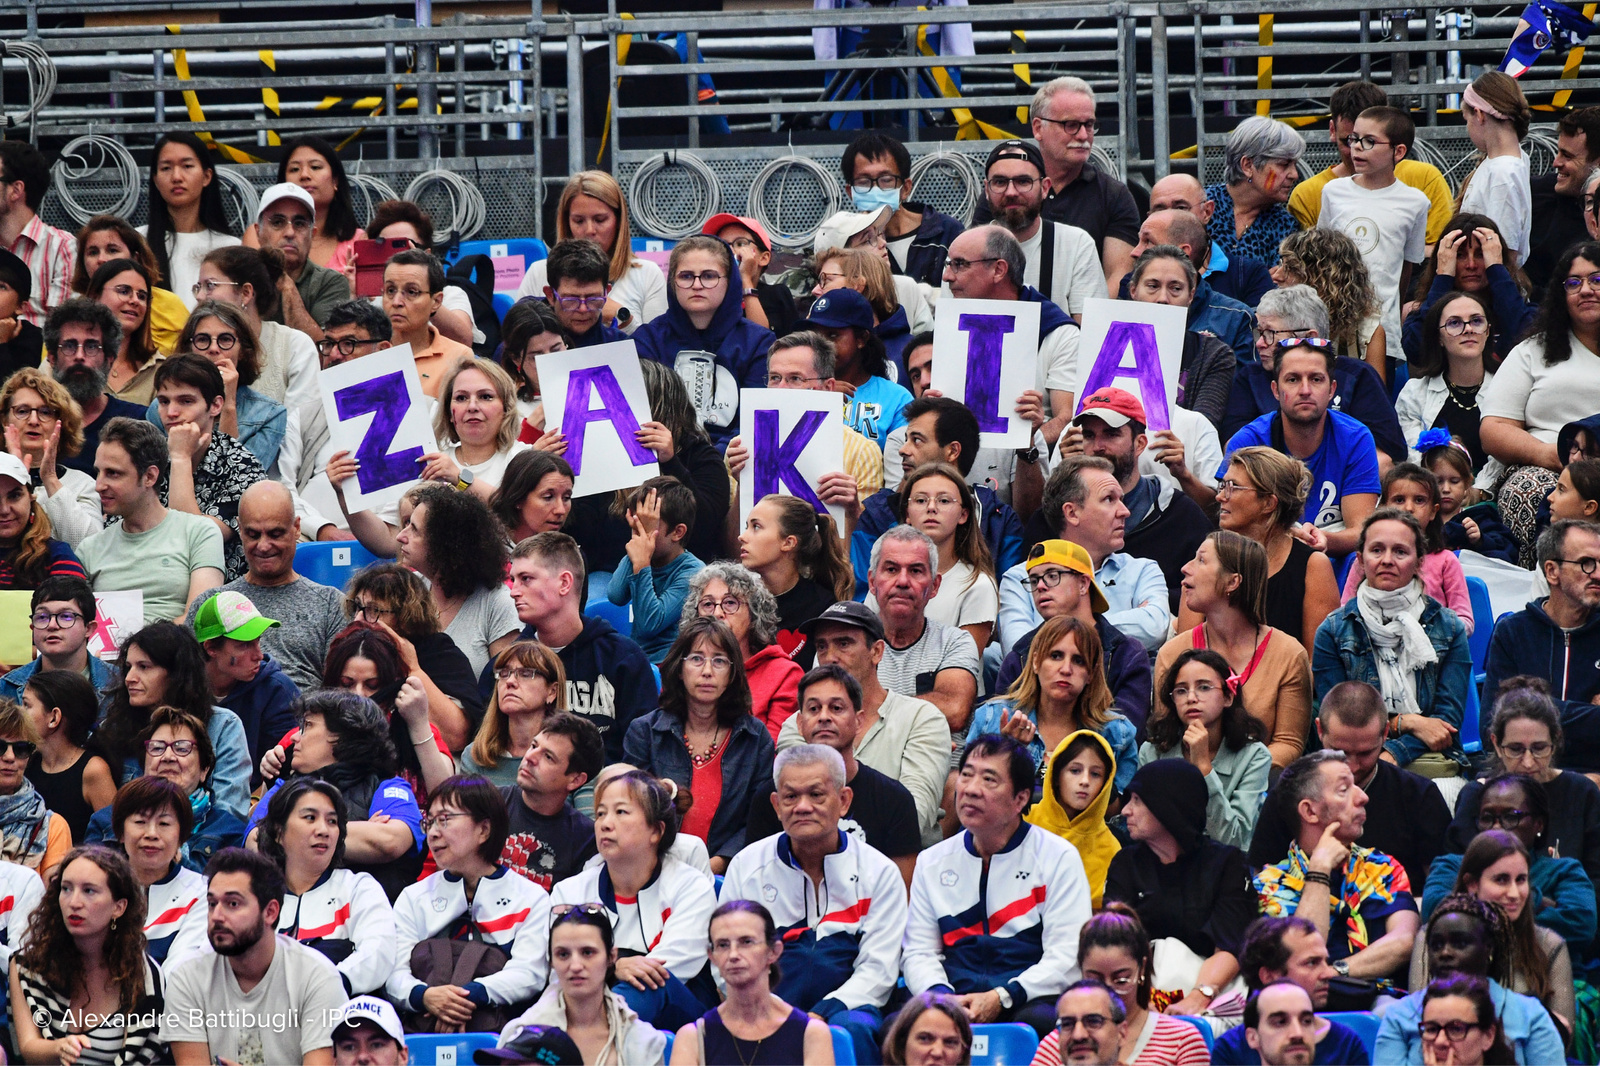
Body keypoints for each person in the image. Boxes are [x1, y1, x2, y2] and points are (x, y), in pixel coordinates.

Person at [721, 742, 906, 1063]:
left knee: (854, 1029)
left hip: (845, 1010)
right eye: (791, 797)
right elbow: (725, 955)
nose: (803, 807)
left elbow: (879, 968)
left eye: (817, 795)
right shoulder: (746, 866)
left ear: (844, 800)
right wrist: (771, 1010)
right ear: (777, 806)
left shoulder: (879, 872)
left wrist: (822, 1012)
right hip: (764, 1004)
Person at [903, 735, 1092, 1036]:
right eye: (966, 774)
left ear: (1020, 799)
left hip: (1026, 995)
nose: (971, 789)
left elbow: (1068, 956)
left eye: (989, 779)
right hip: (951, 994)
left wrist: (1002, 997)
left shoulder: (1058, 857)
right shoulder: (932, 861)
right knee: (894, 1028)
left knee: (1043, 1025)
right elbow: (919, 952)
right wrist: (942, 997)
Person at [550, 769, 718, 1032]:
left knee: (650, 981)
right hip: (591, 998)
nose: (605, 823)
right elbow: (557, 972)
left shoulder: (691, 886)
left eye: (621, 812)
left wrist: (609, 969)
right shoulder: (569, 892)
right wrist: (613, 967)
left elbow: (668, 968)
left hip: (680, 1012)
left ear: (656, 831)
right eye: (601, 813)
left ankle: (588, 1041)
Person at [1314, 508, 1473, 782]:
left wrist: (1394, 754)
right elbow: (1339, 721)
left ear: (1419, 560)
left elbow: (1446, 723)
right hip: (1354, 760)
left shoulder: (1449, 627)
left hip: (1431, 761)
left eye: (1400, 552)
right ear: (1360, 560)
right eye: (1377, 550)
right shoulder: (1333, 631)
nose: (1387, 560)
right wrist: (1408, 721)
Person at [779, 600, 950, 847]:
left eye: (844, 644)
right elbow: (795, 811)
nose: (830, 657)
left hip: (898, 867)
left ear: (877, 652)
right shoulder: (798, 723)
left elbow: (913, 818)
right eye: (822, 646)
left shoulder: (922, 718)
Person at [1251, 680, 1450, 890]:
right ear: (1320, 730)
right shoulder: (1288, 794)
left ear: (1384, 734)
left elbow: (1441, 891)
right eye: (1341, 752)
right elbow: (1264, 884)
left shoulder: (1420, 795)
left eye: (1365, 753)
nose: (1353, 767)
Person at [161, 847, 348, 1065]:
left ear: (270, 912)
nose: (217, 916)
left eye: (233, 904)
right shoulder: (187, 977)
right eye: (212, 904)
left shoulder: (317, 977)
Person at [1254, 751, 1420, 995]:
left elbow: (1403, 942)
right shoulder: (1270, 885)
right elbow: (1299, 956)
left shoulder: (1381, 867)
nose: (1363, 797)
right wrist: (1320, 870)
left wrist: (1334, 972)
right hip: (1299, 1005)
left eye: (1356, 786)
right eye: (1344, 790)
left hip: (1379, 1001)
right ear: (1310, 811)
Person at [1104, 759, 1256, 1019]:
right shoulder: (1125, 864)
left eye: (1137, 800)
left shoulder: (1227, 864)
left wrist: (1199, 997)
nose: (1126, 811)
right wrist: (1137, 1002)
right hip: (1141, 990)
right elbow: (1115, 944)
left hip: (1211, 993)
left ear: (1169, 807)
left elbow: (1230, 945)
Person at [743, 666, 921, 883]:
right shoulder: (770, 798)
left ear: (859, 721)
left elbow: (901, 898)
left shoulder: (894, 800)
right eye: (814, 709)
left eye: (836, 708)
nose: (824, 717)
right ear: (800, 723)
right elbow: (755, 882)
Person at [624, 617, 774, 871]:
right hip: (654, 869)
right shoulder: (645, 732)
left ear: (732, 673)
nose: (707, 671)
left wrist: (713, 865)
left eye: (719, 661)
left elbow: (759, 820)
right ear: (679, 670)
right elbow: (632, 811)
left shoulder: (755, 737)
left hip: (730, 874)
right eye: (696, 659)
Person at [1483, 243, 1600, 563]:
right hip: (1544, 469)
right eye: (1574, 283)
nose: (1586, 290)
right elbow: (1494, 427)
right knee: (1530, 491)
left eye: (1596, 279)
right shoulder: (1533, 351)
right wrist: (1552, 455)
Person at [246, 691, 424, 901]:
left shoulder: (388, 787)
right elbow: (256, 842)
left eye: (307, 726)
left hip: (364, 917)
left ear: (342, 736)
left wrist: (292, 833)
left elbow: (388, 841)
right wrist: (361, 831)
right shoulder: (282, 788)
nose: (294, 736)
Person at [1158, 530, 1313, 768]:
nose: (1185, 568)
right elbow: (1164, 736)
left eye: (1201, 560)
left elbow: (1289, 743)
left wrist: (1239, 777)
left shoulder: (1289, 654)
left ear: (1233, 581)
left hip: (1258, 791)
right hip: (1186, 784)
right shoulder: (1171, 654)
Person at [564, 357, 730, 574]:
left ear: (662, 409)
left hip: (682, 576)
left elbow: (704, 528)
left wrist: (671, 463)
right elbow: (582, 533)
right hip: (613, 575)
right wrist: (556, 472)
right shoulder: (602, 456)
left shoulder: (700, 456)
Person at [504, 532, 659, 761]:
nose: (514, 591)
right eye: (513, 579)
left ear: (564, 583)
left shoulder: (623, 659)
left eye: (526, 579)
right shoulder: (507, 665)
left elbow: (644, 752)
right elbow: (489, 748)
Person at [1221, 337, 1381, 557]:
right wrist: (1285, 538)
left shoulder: (1356, 438)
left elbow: (1362, 531)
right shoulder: (1248, 441)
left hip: (1334, 560)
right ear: (1276, 390)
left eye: (1316, 379)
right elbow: (1231, 525)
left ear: (1332, 389)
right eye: (1293, 379)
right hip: (1263, 559)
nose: (1305, 390)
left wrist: (1323, 539)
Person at [973, 77, 1141, 285]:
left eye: (1089, 125)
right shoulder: (1007, 193)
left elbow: (1118, 279)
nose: (1082, 135)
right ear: (1037, 128)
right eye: (1070, 125)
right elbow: (977, 266)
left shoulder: (1114, 195)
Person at [184, 481, 349, 691]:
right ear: (240, 529)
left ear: (296, 528)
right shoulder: (210, 604)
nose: (263, 546)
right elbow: (185, 682)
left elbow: (341, 693)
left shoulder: (331, 605)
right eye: (253, 535)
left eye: (275, 534)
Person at [8, 845, 165, 1065]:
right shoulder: (28, 965)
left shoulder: (144, 976)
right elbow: (27, 1048)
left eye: (89, 891)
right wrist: (59, 1047)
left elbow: (147, 1057)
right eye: (66, 889)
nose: (74, 902)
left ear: (118, 907)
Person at [723, 331, 879, 545]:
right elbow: (733, 551)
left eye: (795, 378)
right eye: (775, 378)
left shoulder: (862, 451)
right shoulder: (741, 447)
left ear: (828, 388)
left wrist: (852, 510)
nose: (781, 389)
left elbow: (860, 560)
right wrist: (743, 486)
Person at [1008, 454, 1173, 652]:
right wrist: (1123, 622)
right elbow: (1019, 652)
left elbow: (1154, 629)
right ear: (1072, 513)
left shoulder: (1143, 570)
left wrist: (1052, 633)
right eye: (1109, 499)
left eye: (1121, 499)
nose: (1125, 511)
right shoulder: (1021, 578)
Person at [1224, 284, 1405, 464]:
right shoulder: (1250, 377)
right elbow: (1234, 450)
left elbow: (1386, 456)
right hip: (1269, 483)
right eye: (1260, 333)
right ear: (1275, 389)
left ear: (1309, 337)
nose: (1260, 344)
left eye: (1270, 333)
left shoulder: (1358, 376)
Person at [1375, 896, 1563, 1065]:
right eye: (1436, 945)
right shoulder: (1398, 1016)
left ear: (1488, 949)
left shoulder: (1530, 1015)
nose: (1445, 953)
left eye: (1460, 943)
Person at [254, 776, 396, 997]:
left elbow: (378, 953)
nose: (324, 830)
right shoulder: (254, 897)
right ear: (278, 831)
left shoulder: (358, 888)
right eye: (310, 818)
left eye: (332, 821)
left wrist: (325, 986)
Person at [1423, 773, 1596, 953]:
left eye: (1511, 817)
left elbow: (1580, 926)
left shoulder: (1564, 871)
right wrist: (1541, 903)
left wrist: (1471, 905)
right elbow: (1435, 913)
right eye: (1487, 818)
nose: (1496, 827)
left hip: (1550, 974)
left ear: (1538, 824)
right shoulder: (1451, 865)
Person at [1425, 830, 1576, 1034]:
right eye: (1502, 880)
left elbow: (1563, 1037)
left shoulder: (1549, 945)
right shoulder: (1436, 939)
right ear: (1472, 883)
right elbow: (1421, 1022)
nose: (1514, 893)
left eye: (1521, 880)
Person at [96, 620, 250, 818]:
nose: (129, 678)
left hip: (205, 843)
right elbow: (107, 818)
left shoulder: (224, 726)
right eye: (128, 667)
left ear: (177, 674)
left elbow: (229, 813)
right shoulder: (112, 728)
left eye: (144, 667)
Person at [970, 614, 1138, 795]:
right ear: (1035, 662)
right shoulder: (991, 718)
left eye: (1078, 661)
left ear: (1091, 673)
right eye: (1055, 656)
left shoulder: (1117, 734)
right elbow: (968, 796)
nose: (1066, 669)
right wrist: (1005, 752)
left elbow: (1121, 817)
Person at [995, 539, 1153, 730]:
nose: (1041, 587)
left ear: (1083, 584)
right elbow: (1001, 728)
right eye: (1034, 580)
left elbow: (1127, 735)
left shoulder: (1126, 654)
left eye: (1053, 576)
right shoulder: (1019, 656)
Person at [1451, 678, 1600, 881]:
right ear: (1496, 743)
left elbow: (1596, 881)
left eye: (1539, 748)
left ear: (1555, 740)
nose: (1528, 763)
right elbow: (1456, 879)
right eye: (1515, 749)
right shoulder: (1475, 796)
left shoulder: (1582, 793)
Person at [79, 417, 224, 622]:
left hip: (178, 652)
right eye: (98, 473)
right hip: (108, 653)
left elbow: (200, 620)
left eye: (113, 473)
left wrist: (141, 647)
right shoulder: (89, 549)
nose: (99, 485)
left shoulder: (200, 532)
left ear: (149, 477)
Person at [1316, 105, 1431, 364]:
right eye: (1354, 138)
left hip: (1383, 330)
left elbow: (1407, 267)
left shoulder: (1415, 202)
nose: (1357, 147)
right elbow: (1322, 255)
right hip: (1335, 325)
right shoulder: (1333, 192)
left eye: (1369, 141)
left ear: (1398, 151)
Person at [1483, 520, 1600, 772]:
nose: (1598, 574)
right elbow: (1492, 726)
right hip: (1524, 773)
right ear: (1552, 571)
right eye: (1586, 563)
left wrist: (1529, 709)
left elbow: (1513, 714)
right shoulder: (1513, 632)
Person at [636, 235, 774, 449]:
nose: (697, 285)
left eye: (709, 276)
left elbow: (755, 422)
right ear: (672, 282)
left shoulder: (758, 342)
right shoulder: (647, 340)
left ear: (729, 281)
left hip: (732, 464)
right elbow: (639, 419)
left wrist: (715, 462)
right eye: (686, 276)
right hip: (661, 462)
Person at [941, 225, 1080, 437]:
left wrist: (1033, 435)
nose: (947, 276)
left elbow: (1066, 419)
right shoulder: (948, 324)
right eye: (948, 264)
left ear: (998, 270)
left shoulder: (1061, 335)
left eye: (960, 264)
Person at [666, 900, 835, 1066]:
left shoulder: (811, 1034)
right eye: (723, 945)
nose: (733, 954)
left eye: (746, 942)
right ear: (712, 956)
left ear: (773, 952)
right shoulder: (693, 1038)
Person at [872, 392, 1033, 564]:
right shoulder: (878, 514)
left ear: (953, 451)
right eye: (906, 440)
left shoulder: (999, 523)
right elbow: (863, 586)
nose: (902, 450)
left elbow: (1006, 587)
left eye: (917, 440)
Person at [498, 904, 668, 1066]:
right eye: (563, 954)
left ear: (611, 957)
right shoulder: (518, 1033)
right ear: (551, 961)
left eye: (587, 952)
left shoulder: (643, 1040)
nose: (575, 966)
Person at [148, 353, 268, 580]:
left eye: (185, 401)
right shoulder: (146, 460)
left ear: (215, 405)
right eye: (164, 401)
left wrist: (181, 458)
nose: (171, 412)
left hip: (219, 596)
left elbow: (190, 540)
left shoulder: (242, 467)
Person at [1288, 80, 1454, 242]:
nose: (1357, 148)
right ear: (1332, 130)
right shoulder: (1306, 195)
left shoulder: (1424, 178)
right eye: (1349, 140)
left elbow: (1441, 251)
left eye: (1370, 141)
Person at [86, 705, 246, 873]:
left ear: (204, 769)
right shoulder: (106, 822)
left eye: (182, 749)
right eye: (157, 748)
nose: (168, 757)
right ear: (144, 764)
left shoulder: (229, 831)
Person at [343, 562, 484, 751]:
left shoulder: (438, 653)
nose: (358, 620)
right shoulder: (349, 651)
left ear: (405, 615)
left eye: (373, 610)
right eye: (357, 607)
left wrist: (412, 668)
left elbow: (456, 737)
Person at [1141, 648, 1273, 847]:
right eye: (1181, 690)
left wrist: (1204, 768)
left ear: (1228, 697)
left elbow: (1236, 840)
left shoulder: (1254, 756)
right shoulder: (1153, 751)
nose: (1191, 698)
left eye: (1204, 687)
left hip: (1224, 869)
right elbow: (1144, 830)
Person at [863, 525, 982, 742]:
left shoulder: (954, 642)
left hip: (940, 773)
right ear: (872, 582)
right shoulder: (846, 640)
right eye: (891, 569)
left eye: (916, 571)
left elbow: (954, 711)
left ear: (935, 585)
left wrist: (869, 709)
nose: (902, 581)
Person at [514, 170, 668, 333]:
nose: (589, 230)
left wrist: (623, 317)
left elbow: (658, 351)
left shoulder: (648, 274)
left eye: (600, 220)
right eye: (579, 221)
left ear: (618, 221)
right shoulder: (538, 272)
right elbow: (516, 343)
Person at [866, 462, 998, 651]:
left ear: (964, 514)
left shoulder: (978, 584)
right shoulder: (884, 577)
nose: (931, 507)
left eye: (944, 501)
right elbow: (866, 648)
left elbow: (963, 664)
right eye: (920, 500)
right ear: (907, 513)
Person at [395, 485, 519, 678]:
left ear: (444, 545)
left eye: (414, 530)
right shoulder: (408, 590)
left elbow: (506, 689)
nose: (400, 536)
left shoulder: (498, 604)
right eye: (406, 525)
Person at [1211, 917, 1371, 1065]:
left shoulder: (1347, 1045)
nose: (1328, 973)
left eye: (1326, 961)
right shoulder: (1230, 1049)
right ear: (1269, 976)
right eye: (1311, 963)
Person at [976, 139, 1105, 317]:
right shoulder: (964, 251)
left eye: (1023, 181)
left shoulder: (1076, 245)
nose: (1011, 192)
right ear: (987, 190)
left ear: (1045, 188)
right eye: (1000, 182)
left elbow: (1088, 333)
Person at [159, 299, 289, 471]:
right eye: (203, 340)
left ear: (243, 350)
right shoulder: (163, 407)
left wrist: (228, 404)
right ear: (189, 347)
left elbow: (240, 481)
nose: (213, 349)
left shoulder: (270, 415)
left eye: (225, 339)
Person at [1342, 464, 1474, 631]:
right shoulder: (1367, 561)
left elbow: (1464, 620)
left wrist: (1425, 633)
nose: (1409, 508)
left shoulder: (1446, 561)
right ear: (1383, 507)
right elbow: (1346, 612)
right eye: (1399, 500)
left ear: (1434, 511)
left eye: (1419, 500)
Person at [1400, 214, 1539, 369]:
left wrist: (1497, 271)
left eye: (1481, 254)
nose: (1471, 265)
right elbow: (1417, 351)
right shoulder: (1420, 314)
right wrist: (1443, 277)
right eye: (1460, 255)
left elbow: (1528, 342)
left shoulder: (1526, 311)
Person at [683, 562, 802, 741]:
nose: (717, 613)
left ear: (754, 614)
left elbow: (773, 753)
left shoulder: (784, 674)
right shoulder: (683, 667)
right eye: (707, 604)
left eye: (730, 603)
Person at [194, 245, 319, 412]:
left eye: (210, 285)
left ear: (246, 293)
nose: (200, 296)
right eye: (198, 287)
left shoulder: (295, 345)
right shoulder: (196, 344)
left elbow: (299, 424)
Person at [1125, 245, 1239, 427]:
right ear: (1133, 291)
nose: (1163, 298)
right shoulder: (1099, 343)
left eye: (1175, 288)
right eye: (1153, 286)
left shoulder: (1214, 355)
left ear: (1191, 296)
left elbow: (1202, 426)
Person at [1125, 209, 1255, 367]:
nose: (1134, 252)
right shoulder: (1111, 320)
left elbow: (1244, 387)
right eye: (1153, 286)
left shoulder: (1235, 319)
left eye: (1148, 242)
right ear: (1133, 291)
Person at [840, 131, 965, 288]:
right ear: (850, 192)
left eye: (886, 180)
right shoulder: (847, 243)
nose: (875, 188)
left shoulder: (947, 233)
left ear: (906, 188)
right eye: (863, 182)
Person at [1397, 291, 1502, 478]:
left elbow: (1505, 456)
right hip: (1432, 492)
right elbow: (1414, 461)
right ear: (1439, 337)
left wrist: (1480, 491)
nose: (1468, 329)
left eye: (1476, 321)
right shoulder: (1414, 393)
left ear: (1488, 332)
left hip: (1491, 494)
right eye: (1455, 323)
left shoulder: (1508, 387)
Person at [739, 494, 856, 659]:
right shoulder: (736, 602)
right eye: (746, 527)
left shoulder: (823, 609)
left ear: (788, 542)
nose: (742, 537)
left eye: (756, 527)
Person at [496, 711, 602, 889]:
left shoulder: (586, 839)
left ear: (575, 780)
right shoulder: (489, 805)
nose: (529, 757)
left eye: (548, 757)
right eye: (533, 746)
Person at [44, 298, 150, 477]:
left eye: (91, 346)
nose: (79, 356)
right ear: (52, 358)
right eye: (69, 346)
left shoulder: (137, 422)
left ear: (109, 359)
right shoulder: (34, 423)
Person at [111, 775, 210, 966]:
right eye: (140, 822)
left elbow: (181, 971)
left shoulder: (200, 892)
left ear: (181, 836)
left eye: (164, 824)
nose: (152, 834)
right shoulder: (101, 886)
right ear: (121, 832)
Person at [195, 589, 297, 771]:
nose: (259, 655)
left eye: (258, 641)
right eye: (244, 645)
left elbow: (283, 770)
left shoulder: (278, 690)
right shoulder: (179, 687)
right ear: (210, 647)